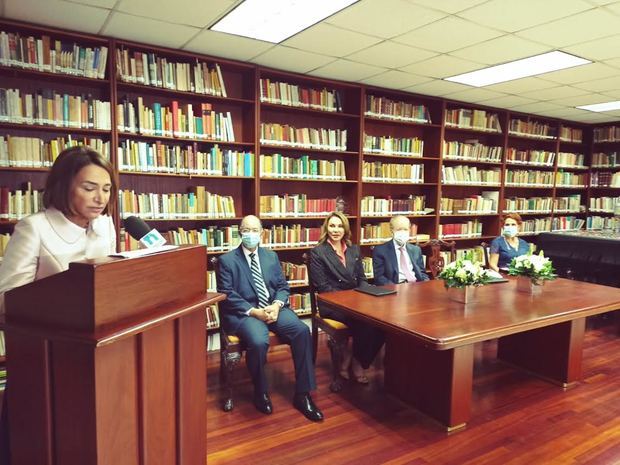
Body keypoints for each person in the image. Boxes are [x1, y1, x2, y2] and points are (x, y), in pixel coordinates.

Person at [0, 146, 118, 465]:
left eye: (106, 189)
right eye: (89, 187)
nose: (100, 198)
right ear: (64, 185)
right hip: (45, 357)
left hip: (94, 352)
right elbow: (7, 297)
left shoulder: (105, 226)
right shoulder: (34, 227)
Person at [216, 215, 323, 422]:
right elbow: (226, 294)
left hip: (273, 308)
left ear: (262, 233)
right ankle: (260, 390)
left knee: (302, 332)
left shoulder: (271, 256)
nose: (251, 234)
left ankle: (303, 394)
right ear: (240, 232)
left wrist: (276, 305)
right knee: (258, 341)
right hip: (246, 313)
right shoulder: (227, 260)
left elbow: (283, 287)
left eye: (255, 230)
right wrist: (254, 311)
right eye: (246, 229)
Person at [309, 211, 384, 384]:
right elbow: (324, 288)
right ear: (326, 228)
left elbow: (362, 279)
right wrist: (353, 300)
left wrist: (369, 294)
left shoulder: (353, 249)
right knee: (365, 324)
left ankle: (355, 359)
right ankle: (354, 364)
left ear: (345, 228)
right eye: (332, 225)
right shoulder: (318, 252)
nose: (336, 230)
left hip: (356, 302)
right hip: (332, 304)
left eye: (340, 226)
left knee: (381, 325)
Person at [372, 215, 429, 285]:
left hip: (416, 286)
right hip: (396, 287)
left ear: (409, 230)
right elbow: (379, 278)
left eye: (405, 229)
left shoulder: (416, 250)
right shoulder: (380, 251)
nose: (403, 232)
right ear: (391, 230)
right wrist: (396, 289)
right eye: (399, 229)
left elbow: (422, 273)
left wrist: (426, 284)